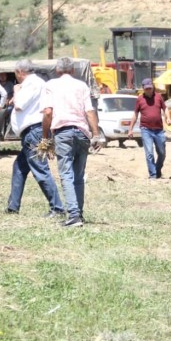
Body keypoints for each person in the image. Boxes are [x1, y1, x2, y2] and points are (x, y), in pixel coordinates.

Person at [41, 57, 101, 228]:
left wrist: (45, 137)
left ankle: (73, 215)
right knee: (79, 176)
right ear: (73, 71)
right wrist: (96, 134)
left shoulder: (50, 85)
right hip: (82, 133)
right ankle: (79, 214)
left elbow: (47, 112)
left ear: (57, 70)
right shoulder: (82, 86)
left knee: (66, 174)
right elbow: (90, 111)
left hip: (63, 133)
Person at [5, 59, 64, 217]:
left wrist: (16, 90)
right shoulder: (34, 83)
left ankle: (57, 208)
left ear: (20, 72)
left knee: (40, 170)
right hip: (30, 132)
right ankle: (13, 206)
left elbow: (19, 104)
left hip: (33, 131)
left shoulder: (32, 83)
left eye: (16, 74)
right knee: (19, 168)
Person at [127, 78, 171, 179]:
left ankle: (157, 169)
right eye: (146, 89)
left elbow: (165, 108)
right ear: (143, 88)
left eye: (150, 88)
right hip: (146, 129)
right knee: (149, 153)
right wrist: (130, 129)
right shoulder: (140, 99)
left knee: (162, 153)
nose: (149, 90)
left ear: (153, 87)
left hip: (159, 130)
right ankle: (153, 175)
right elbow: (135, 114)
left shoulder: (159, 97)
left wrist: (168, 118)